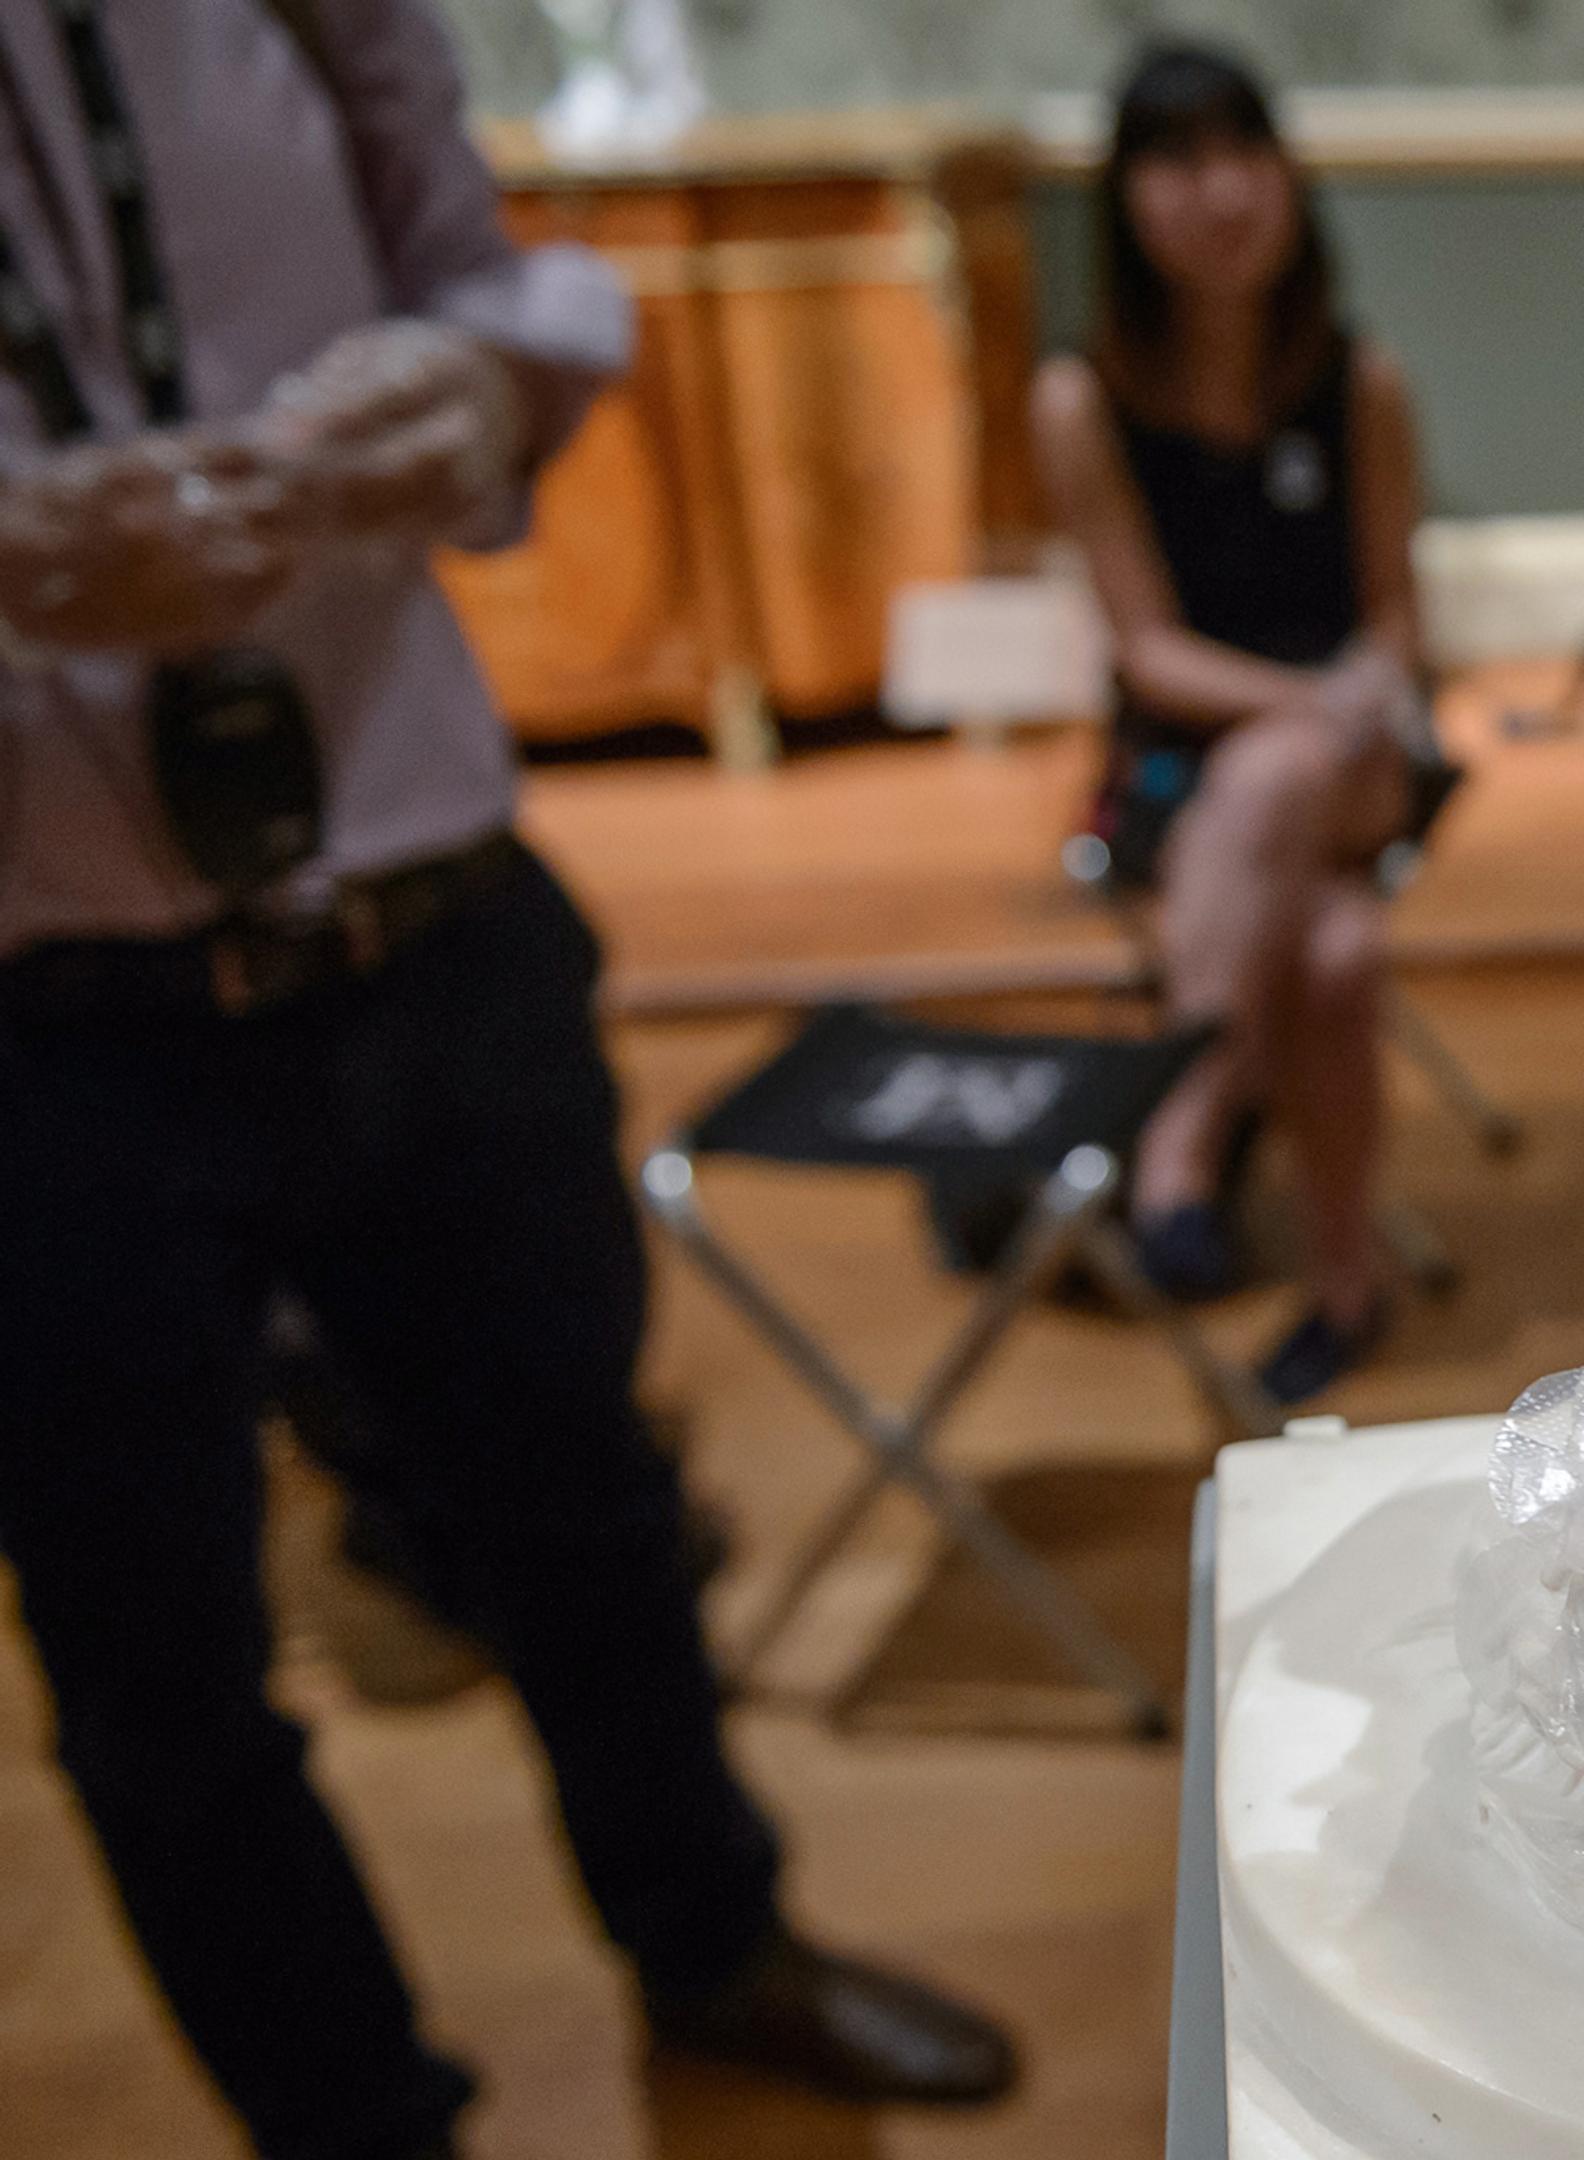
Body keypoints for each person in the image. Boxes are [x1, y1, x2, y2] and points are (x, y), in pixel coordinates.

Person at [0, 6, 1015, 2157]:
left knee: (590, 1523)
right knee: (159, 1681)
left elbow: (485, 291)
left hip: (419, 919)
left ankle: (719, 1948)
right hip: (48, 1027)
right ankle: (358, 2124)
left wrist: (469, 392)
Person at [1033, 42, 1431, 1401]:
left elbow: (1393, 615)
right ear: (1128, 200)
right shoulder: (1082, 399)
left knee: (1283, 776)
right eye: (1178, 161)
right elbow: (1147, 650)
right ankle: (1344, 1284)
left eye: (1243, 153)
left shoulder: (1358, 379)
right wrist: (1304, 703)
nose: (1220, 193)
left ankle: (1179, 1125)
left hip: (1356, 765)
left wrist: (1349, 700)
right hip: (1175, 773)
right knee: (1333, 950)